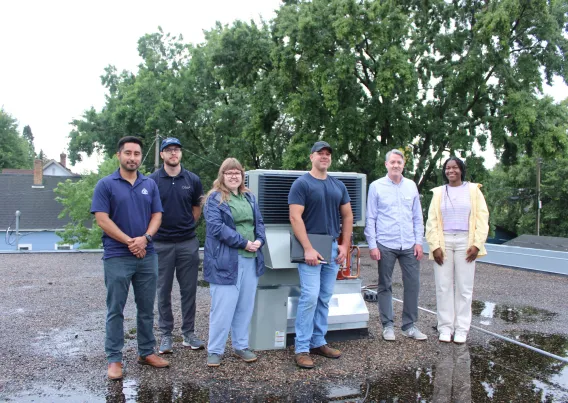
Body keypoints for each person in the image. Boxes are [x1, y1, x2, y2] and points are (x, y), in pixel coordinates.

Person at [91, 136, 169, 381]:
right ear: (119, 155)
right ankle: (114, 359)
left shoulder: (150, 184)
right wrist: (130, 241)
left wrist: (144, 238)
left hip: (147, 255)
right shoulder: (106, 185)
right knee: (116, 309)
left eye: (136, 154)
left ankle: (146, 352)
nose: (132, 158)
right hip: (117, 256)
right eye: (128, 153)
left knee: (146, 308)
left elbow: (157, 215)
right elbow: (102, 219)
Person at [288, 141, 353, 369]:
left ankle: (318, 341)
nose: (324, 157)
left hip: (332, 247)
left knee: (324, 297)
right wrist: (307, 248)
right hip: (310, 247)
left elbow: (347, 216)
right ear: (311, 157)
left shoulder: (338, 185)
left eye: (328, 154)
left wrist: (344, 245)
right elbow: (295, 218)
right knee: (310, 297)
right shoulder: (301, 184)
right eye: (320, 154)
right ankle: (302, 348)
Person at [203, 158, 266, 367]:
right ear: (222, 176)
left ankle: (241, 346)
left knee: (244, 306)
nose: (233, 176)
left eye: (237, 172)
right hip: (225, 261)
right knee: (223, 308)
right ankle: (215, 350)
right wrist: (244, 243)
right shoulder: (214, 199)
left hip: (251, 259)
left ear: (242, 175)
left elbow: (259, 223)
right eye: (228, 173)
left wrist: (259, 240)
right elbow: (216, 228)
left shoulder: (249, 197)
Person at [148, 137, 205, 354]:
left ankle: (188, 333)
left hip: (187, 242)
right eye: (169, 150)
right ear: (161, 154)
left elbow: (196, 208)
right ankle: (166, 335)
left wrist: (188, 225)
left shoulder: (192, 179)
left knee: (189, 290)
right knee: (163, 290)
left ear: (181, 153)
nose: (174, 153)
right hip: (160, 243)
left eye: (177, 150)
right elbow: (148, 211)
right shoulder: (151, 180)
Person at [364, 149, 427, 342]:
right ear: (386, 164)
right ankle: (387, 325)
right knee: (385, 285)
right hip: (385, 243)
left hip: (408, 243)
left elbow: (417, 216)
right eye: (392, 162)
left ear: (403, 165)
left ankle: (409, 325)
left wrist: (419, 242)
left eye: (399, 162)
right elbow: (371, 217)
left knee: (413, 284)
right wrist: (372, 245)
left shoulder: (411, 186)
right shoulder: (376, 186)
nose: (396, 165)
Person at [425, 157, 489, 344]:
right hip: (443, 241)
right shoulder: (438, 193)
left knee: (464, 288)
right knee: (443, 286)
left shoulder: (473, 191)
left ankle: (461, 329)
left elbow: (482, 219)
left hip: (466, 242)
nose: (451, 170)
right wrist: (435, 246)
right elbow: (432, 221)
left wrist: (477, 244)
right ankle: (445, 328)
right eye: (447, 168)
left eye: (454, 167)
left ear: (461, 170)